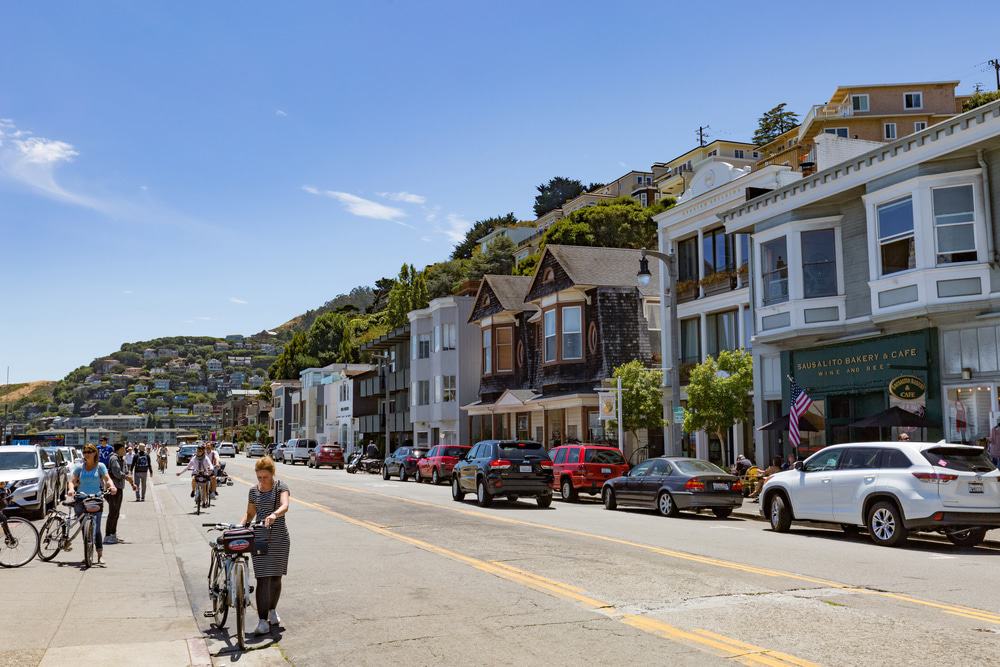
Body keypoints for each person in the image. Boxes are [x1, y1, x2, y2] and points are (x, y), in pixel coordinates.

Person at [242, 456, 290, 636]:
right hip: (260, 539)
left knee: (276, 577)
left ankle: (272, 610)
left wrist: (274, 515)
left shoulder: (281, 487)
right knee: (263, 578)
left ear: (272, 474)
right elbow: (249, 514)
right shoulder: (253, 491)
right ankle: (262, 621)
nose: (262, 481)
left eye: (265, 477)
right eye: (259, 477)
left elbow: (285, 505)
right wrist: (241, 525)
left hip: (279, 538)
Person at [67, 443, 117, 564]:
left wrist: (112, 486)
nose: (86, 454)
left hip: (96, 499)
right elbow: (71, 481)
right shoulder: (79, 467)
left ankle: (99, 555)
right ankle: (87, 554)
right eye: (85, 452)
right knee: (85, 528)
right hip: (81, 499)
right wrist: (71, 489)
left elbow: (107, 478)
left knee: (97, 529)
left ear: (95, 453)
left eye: (89, 452)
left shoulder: (100, 466)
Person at [104, 442, 135, 544]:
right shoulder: (114, 458)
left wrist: (131, 482)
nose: (125, 451)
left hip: (119, 488)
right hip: (113, 489)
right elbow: (117, 472)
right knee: (113, 512)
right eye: (124, 449)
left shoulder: (121, 458)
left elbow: (125, 472)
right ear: (120, 449)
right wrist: (127, 477)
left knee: (116, 513)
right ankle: (108, 536)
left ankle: (113, 534)